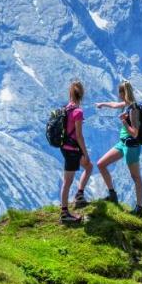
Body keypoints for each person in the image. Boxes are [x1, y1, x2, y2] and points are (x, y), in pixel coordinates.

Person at [95, 80, 142, 216]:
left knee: (136, 177)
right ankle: (112, 195)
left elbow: (135, 133)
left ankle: (139, 209)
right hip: (122, 144)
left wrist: (123, 121)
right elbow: (114, 104)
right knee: (101, 164)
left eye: (120, 92)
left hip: (131, 146)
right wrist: (102, 104)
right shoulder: (126, 105)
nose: (118, 94)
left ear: (124, 93)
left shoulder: (133, 109)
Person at [58, 80, 93, 223]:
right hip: (73, 149)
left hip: (65, 147)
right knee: (67, 181)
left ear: (70, 94)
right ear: (81, 95)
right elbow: (79, 135)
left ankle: (79, 195)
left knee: (89, 167)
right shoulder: (78, 112)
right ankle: (65, 213)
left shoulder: (66, 109)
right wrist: (85, 153)